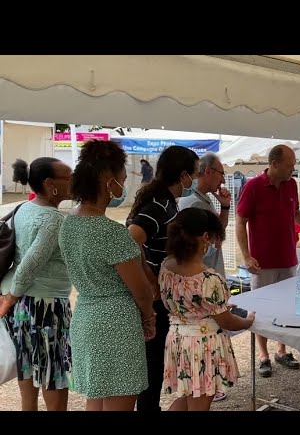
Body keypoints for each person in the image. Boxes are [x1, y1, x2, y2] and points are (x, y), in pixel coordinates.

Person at [58, 139, 156, 411]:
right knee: (119, 399)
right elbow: (141, 290)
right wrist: (149, 317)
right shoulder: (110, 232)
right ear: (109, 182)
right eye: (123, 179)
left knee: (97, 397)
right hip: (116, 323)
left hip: (87, 318)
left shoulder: (69, 222)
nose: (124, 186)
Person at [236, 144, 300, 378]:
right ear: (274, 164)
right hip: (262, 263)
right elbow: (240, 222)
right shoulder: (253, 187)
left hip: (288, 259)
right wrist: (247, 256)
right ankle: (263, 355)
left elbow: (295, 212)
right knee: (259, 310)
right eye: (290, 164)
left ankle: (282, 350)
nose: (293, 168)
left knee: (290, 305)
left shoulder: (291, 184)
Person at [127, 145, 200, 411]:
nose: (196, 179)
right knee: (152, 362)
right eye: (195, 172)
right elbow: (131, 239)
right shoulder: (158, 205)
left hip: (163, 296)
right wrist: (148, 275)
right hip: (154, 298)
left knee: (156, 361)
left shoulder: (168, 203)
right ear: (183, 175)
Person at [160, 208, 255, 411]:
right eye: (212, 240)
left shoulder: (166, 266)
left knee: (186, 399)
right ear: (204, 238)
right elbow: (227, 321)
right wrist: (248, 320)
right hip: (202, 346)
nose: (213, 245)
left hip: (178, 339)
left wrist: (216, 307)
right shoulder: (209, 279)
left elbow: (186, 302)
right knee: (200, 403)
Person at [0, 157, 73, 411]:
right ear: (51, 184)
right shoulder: (53, 219)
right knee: (54, 378)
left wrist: (11, 297)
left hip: (21, 306)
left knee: (27, 375)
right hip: (45, 307)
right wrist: (10, 298)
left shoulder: (24, 208)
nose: (72, 181)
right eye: (68, 177)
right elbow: (31, 263)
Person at [178, 152, 231, 278]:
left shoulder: (202, 198)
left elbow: (219, 229)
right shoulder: (195, 203)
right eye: (221, 174)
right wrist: (217, 239)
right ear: (208, 172)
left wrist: (225, 206)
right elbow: (208, 246)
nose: (223, 180)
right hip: (204, 279)